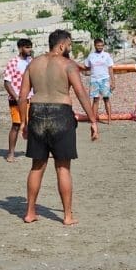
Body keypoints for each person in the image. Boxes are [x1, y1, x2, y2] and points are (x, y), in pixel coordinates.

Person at [18, 29, 100, 226]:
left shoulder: (34, 64)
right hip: (61, 113)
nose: (70, 48)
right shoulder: (68, 65)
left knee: (37, 166)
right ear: (62, 45)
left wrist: (23, 122)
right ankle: (67, 215)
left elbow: (22, 96)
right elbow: (81, 93)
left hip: (37, 112)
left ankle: (30, 212)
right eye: (69, 45)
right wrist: (93, 121)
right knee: (63, 166)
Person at [2, 38, 33, 163]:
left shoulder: (31, 61)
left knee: (33, 124)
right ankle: (11, 153)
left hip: (30, 98)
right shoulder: (13, 62)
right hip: (16, 100)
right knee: (16, 125)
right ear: (20, 48)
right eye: (27, 47)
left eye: (30, 47)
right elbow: (7, 82)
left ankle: (33, 150)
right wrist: (15, 97)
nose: (29, 50)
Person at [79, 37, 115, 123]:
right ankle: (93, 119)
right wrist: (76, 66)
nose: (100, 47)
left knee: (106, 99)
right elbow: (86, 67)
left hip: (104, 79)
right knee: (95, 100)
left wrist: (113, 81)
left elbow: (110, 69)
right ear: (95, 45)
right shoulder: (91, 56)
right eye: (98, 45)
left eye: (102, 45)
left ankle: (109, 119)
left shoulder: (107, 55)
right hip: (94, 80)